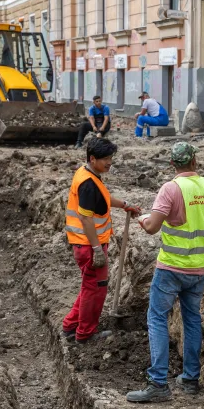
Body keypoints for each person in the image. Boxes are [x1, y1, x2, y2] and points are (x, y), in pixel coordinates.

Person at [126, 142, 204, 403]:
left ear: (173, 165)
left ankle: (158, 382)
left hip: (172, 267)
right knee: (192, 319)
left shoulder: (170, 189)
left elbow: (152, 227)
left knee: (157, 318)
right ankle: (190, 378)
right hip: (199, 269)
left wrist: (142, 220)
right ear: (195, 161)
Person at [61, 138, 141, 344]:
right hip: (89, 246)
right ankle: (85, 334)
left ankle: (71, 326)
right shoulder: (87, 184)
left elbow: (103, 199)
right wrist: (97, 249)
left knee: (90, 287)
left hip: (85, 244)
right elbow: (86, 218)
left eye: (111, 158)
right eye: (105, 159)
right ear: (92, 158)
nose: (109, 162)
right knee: (96, 290)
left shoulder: (89, 174)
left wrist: (125, 204)